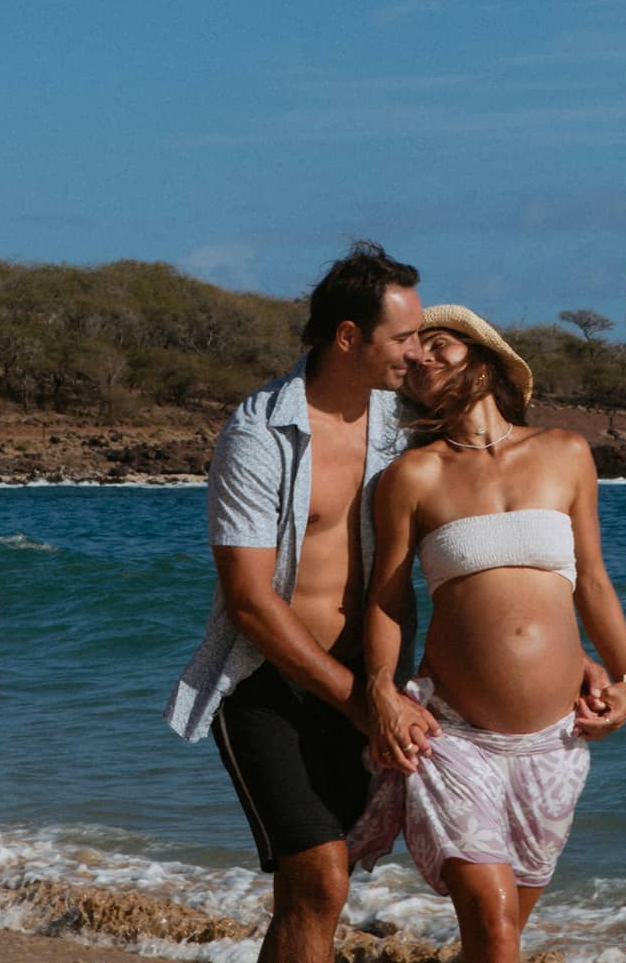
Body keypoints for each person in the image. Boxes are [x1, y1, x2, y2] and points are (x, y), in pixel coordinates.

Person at [164, 242, 442, 963]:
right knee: (318, 877)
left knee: (326, 880)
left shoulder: (401, 429)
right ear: (349, 337)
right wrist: (362, 705)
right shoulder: (258, 433)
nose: (415, 353)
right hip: (268, 683)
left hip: (369, 679)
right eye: (403, 337)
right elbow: (250, 602)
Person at [351, 304, 626, 963]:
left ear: (482, 358)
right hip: (453, 737)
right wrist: (382, 691)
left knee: (503, 935)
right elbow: (389, 599)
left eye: (440, 343)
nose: (425, 355)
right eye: (414, 354)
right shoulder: (412, 477)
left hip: (555, 743)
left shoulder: (565, 452)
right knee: (491, 923)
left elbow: (592, 582)